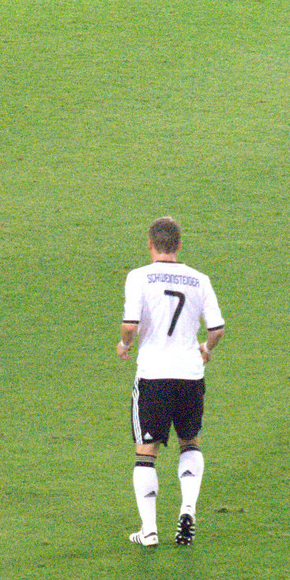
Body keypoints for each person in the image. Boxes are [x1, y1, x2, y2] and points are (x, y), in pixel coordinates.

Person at [117, 217, 225, 548]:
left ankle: (149, 530)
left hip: (154, 374)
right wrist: (205, 350)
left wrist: (125, 345)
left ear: (150, 245)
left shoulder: (138, 277)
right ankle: (187, 508)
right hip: (190, 374)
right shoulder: (199, 279)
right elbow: (217, 328)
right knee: (189, 442)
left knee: (146, 452)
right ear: (178, 246)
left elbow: (130, 325)